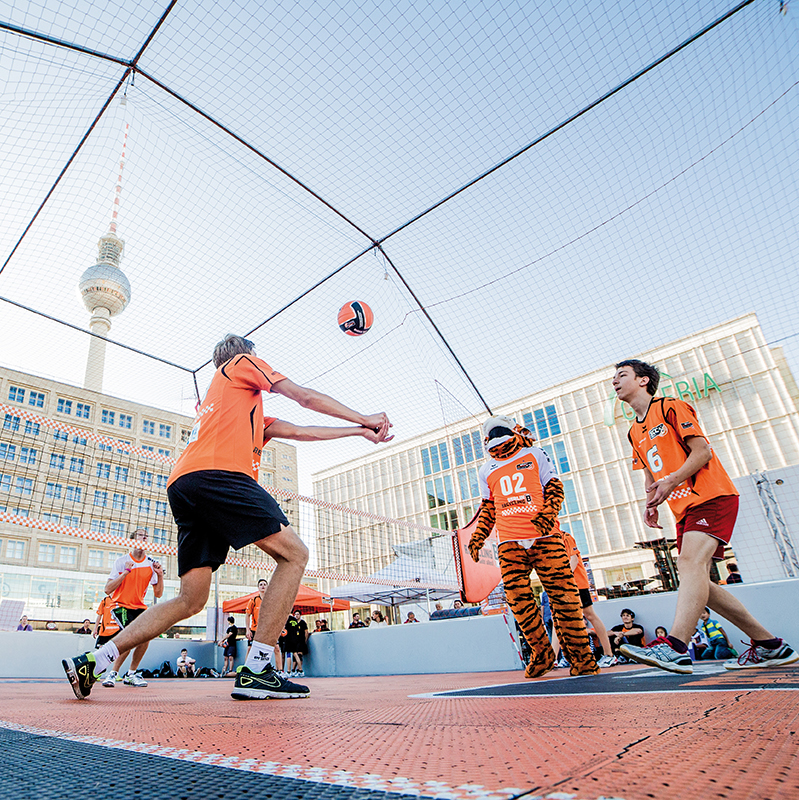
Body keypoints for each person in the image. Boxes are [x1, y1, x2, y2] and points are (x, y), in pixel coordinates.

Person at [63, 334, 393, 701]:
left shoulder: (234, 408)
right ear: (245, 355)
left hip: (186, 485)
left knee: (190, 600)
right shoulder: (239, 365)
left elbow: (300, 431)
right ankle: (258, 669)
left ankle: (94, 660)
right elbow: (304, 397)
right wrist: (365, 416)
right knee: (294, 554)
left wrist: (360, 431)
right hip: (217, 476)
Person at [612, 360, 798, 674]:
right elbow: (649, 474)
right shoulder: (633, 431)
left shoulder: (671, 407)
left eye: (622, 375)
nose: (614, 381)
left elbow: (702, 452)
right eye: (613, 377)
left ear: (643, 380)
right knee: (699, 584)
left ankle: (676, 646)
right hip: (684, 509)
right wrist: (650, 503)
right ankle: (770, 645)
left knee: (688, 566)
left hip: (712, 496)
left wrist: (671, 481)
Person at [468, 415, 597, 679]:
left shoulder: (535, 454)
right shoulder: (485, 470)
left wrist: (548, 514)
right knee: (519, 602)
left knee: (564, 598)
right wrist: (479, 536)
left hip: (545, 537)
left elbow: (554, 486)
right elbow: (488, 507)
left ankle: (582, 658)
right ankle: (542, 654)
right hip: (509, 543)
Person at [98, 528, 164, 688]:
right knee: (129, 637)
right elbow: (108, 589)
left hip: (139, 607)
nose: (145, 538)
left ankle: (131, 674)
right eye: (141, 535)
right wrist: (126, 571)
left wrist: (160, 575)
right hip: (120, 605)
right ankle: (113, 673)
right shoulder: (121, 561)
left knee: (146, 637)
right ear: (133, 540)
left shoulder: (150, 564)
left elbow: (159, 594)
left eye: (146, 536)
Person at [561, 530, 615, 667]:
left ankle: (609, 654)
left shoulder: (565, 537)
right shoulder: (550, 540)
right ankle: (559, 659)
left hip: (577, 584)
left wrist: (564, 577)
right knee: (561, 619)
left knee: (590, 615)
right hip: (565, 586)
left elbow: (573, 559)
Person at [244, 579, 268, 653]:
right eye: (261, 585)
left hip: (267, 630)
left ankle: (277, 665)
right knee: (250, 648)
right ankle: (246, 665)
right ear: (258, 587)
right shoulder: (253, 600)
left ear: (267, 586)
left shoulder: (271, 600)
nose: (263, 586)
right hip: (255, 629)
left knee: (275, 648)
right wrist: (248, 630)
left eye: (264, 584)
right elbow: (247, 615)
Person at [285, 610, 309, 676]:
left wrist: (305, 640)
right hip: (295, 640)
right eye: (296, 614)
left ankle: (290, 671)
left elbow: (306, 632)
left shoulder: (288, 619)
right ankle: (299, 670)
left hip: (291, 639)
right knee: (295, 654)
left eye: (298, 614)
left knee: (290, 654)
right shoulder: (294, 620)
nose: (296, 615)